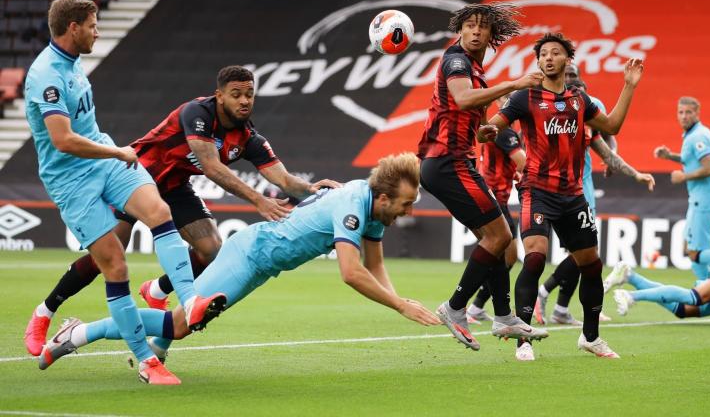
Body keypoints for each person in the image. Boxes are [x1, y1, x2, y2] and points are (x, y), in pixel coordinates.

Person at [23, 65, 339, 357]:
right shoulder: (197, 113)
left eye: (250, 94)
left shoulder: (248, 138)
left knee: (212, 249)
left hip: (174, 187)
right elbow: (213, 168)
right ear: (220, 96)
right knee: (105, 259)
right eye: (236, 94)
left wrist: (315, 191)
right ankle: (44, 312)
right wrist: (258, 200)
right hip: (135, 177)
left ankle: (157, 288)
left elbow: (284, 179)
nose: (245, 101)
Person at [37, 153, 441, 380]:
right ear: (385, 198)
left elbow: (375, 264)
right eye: (406, 204)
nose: (408, 212)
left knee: (181, 325)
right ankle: (79, 333)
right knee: (180, 323)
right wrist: (400, 306)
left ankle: (154, 342)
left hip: (260, 264)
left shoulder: (372, 208)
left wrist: (399, 298)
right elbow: (352, 273)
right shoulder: (354, 207)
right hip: (248, 254)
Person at [24, 0, 223, 385]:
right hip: (71, 179)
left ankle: (189, 299)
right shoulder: (46, 75)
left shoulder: (73, 62)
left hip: (105, 161)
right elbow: (63, 140)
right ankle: (147, 362)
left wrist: (112, 153)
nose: (98, 31)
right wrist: (116, 150)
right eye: (93, 25)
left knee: (159, 212)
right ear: (73, 28)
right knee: (114, 265)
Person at [483, 32, 645, 360]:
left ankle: (590, 337)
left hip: (573, 196)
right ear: (538, 61)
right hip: (537, 192)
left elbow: (612, 126)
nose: (548, 58)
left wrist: (629, 86)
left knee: (592, 265)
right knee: (536, 257)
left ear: (567, 60)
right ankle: (523, 340)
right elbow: (495, 125)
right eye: (543, 54)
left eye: (555, 53)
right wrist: (488, 130)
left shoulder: (579, 101)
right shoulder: (524, 98)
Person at [419, 2, 546, 351]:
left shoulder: (475, 68)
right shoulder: (456, 60)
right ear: (460, 30)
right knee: (500, 236)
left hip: (455, 160)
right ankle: (455, 308)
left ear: (492, 35)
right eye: (470, 25)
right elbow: (461, 100)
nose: (475, 31)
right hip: (447, 161)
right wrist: (515, 83)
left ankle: (503, 316)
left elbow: (472, 125)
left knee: (495, 242)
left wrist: (486, 131)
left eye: (482, 27)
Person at [535, 63, 654, 326]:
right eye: (566, 76)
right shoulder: (544, 104)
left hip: (583, 187)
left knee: (582, 252)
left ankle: (562, 309)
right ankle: (544, 293)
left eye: (574, 76)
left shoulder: (586, 105)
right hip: (557, 189)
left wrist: (626, 170)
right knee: (584, 253)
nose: (570, 80)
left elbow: (606, 138)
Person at [653, 97, 710, 281]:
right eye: (680, 112)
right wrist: (670, 156)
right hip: (700, 199)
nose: (683, 116)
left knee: (695, 251)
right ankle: (708, 287)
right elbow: (690, 159)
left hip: (706, 199)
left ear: (697, 114)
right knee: (690, 248)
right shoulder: (694, 134)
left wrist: (684, 176)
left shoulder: (697, 136)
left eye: (688, 112)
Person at [466, 94, 524, 324]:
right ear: (500, 104)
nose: (511, 103)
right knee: (505, 253)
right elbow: (524, 161)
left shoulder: (495, 131)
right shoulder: (505, 132)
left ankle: (477, 306)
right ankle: (469, 305)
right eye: (506, 99)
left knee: (504, 254)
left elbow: (510, 164)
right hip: (494, 198)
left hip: (492, 196)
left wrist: (516, 173)